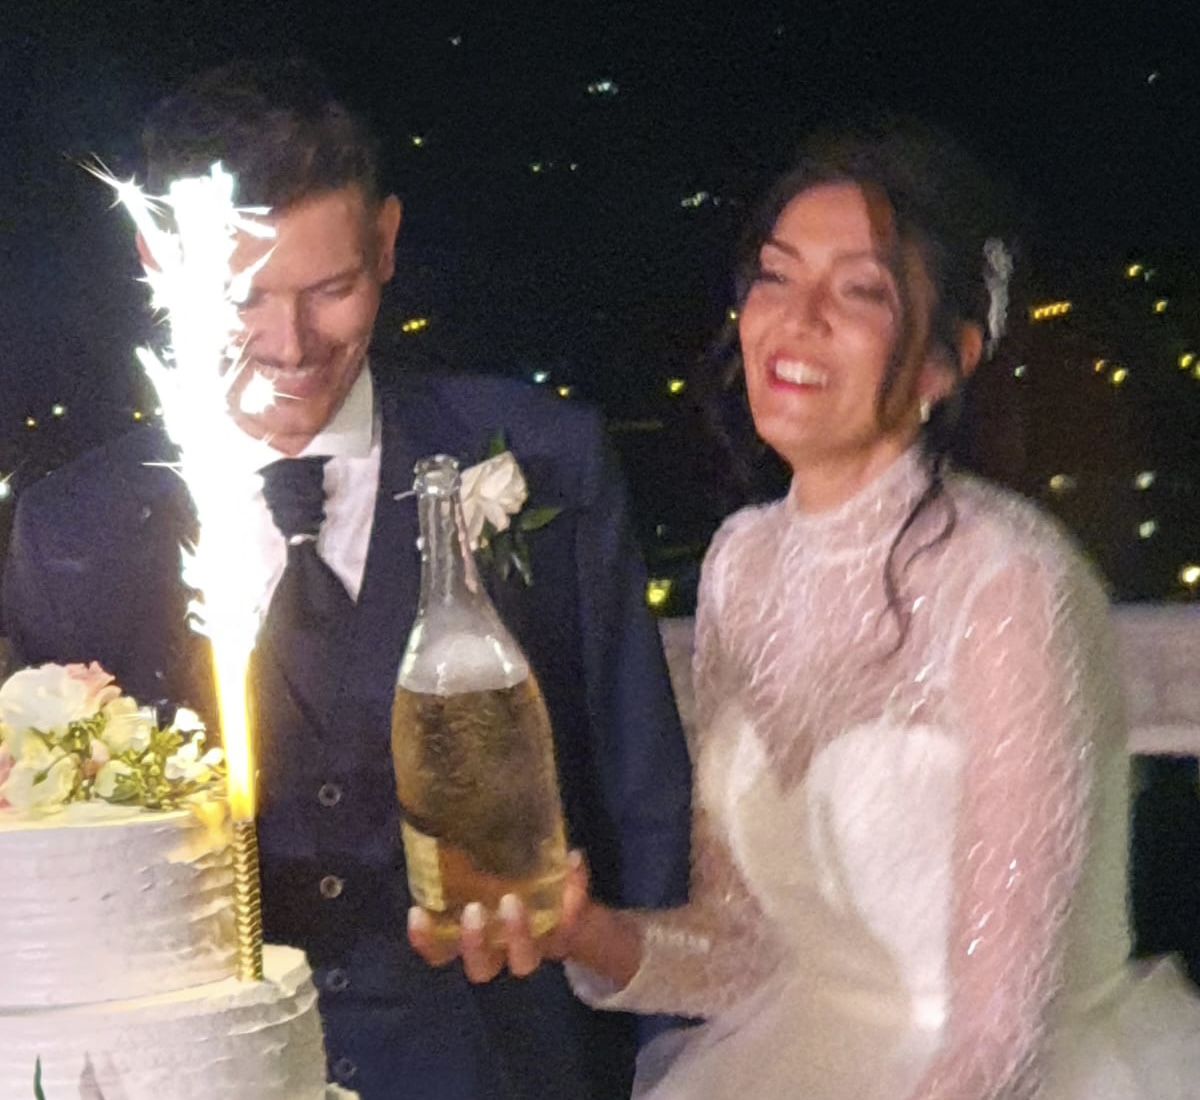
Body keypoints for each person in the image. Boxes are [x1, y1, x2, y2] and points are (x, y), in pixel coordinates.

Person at [415, 119, 1200, 1098]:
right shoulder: (742, 564)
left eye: (858, 292)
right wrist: (583, 930)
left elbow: (1000, 1039)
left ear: (945, 361)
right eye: (776, 278)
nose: (797, 320)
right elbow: (745, 950)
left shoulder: (1009, 585)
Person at [0, 57, 693, 1100]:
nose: (290, 345)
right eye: (241, 297)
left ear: (387, 242)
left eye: (332, 289)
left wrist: (669, 1056)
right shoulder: (72, 529)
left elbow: (649, 812)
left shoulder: (546, 457)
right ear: (157, 261)